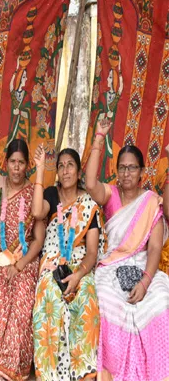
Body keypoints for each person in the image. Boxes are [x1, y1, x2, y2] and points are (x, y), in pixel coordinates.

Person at [87, 119, 169, 381]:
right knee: (106, 302)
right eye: (121, 168)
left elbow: (155, 246)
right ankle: (112, 373)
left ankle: (158, 373)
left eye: (132, 168)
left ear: (142, 171)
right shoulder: (111, 195)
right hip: (112, 267)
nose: (126, 174)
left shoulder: (151, 202)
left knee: (161, 301)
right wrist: (100, 137)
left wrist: (145, 282)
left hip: (146, 267)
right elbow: (90, 184)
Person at [31, 146, 101, 380]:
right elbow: (36, 211)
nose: (65, 170)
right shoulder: (51, 194)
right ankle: (50, 374)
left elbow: (92, 252)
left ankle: (83, 372)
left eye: (70, 164)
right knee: (48, 296)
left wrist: (79, 275)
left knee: (86, 295)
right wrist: (41, 169)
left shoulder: (89, 203)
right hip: (53, 260)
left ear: (79, 171)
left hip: (80, 264)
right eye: (60, 166)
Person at [0, 136, 46, 381]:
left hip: (25, 258)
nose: (16, 167)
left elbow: (38, 239)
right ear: (5, 163)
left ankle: (8, 369)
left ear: (27, 165)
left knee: (21, 300)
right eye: (12, 162)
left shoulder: (33, 192)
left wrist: (19, 265)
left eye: (21, 162)